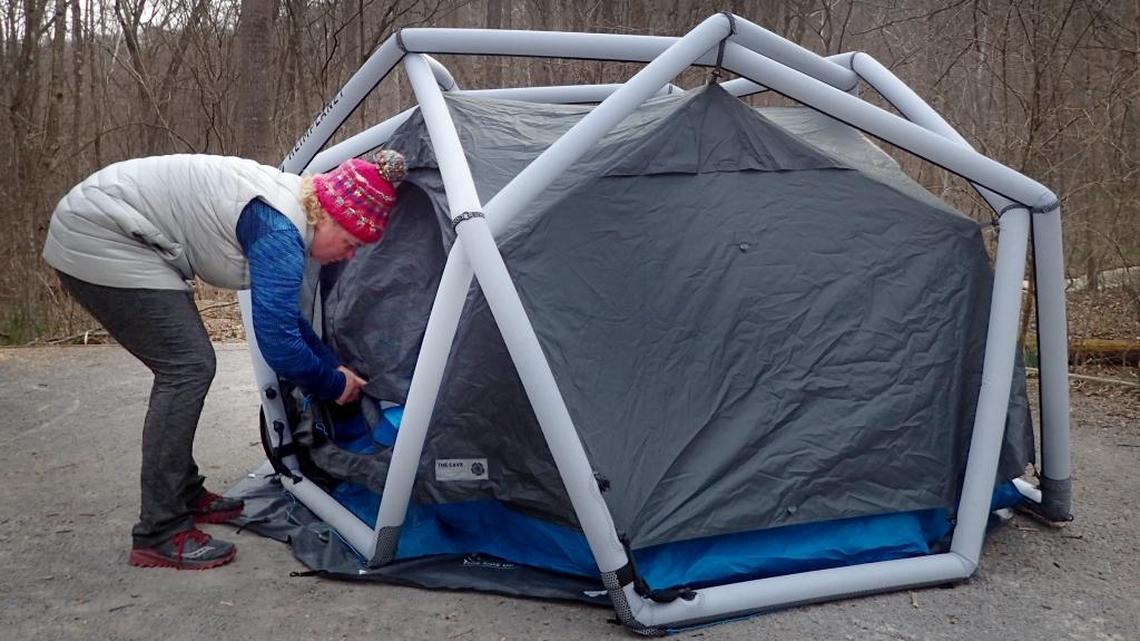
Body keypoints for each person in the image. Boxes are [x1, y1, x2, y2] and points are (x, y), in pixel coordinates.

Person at [42, 150, 406, 570]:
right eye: (350, 243)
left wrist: (331, 366)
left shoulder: (288, 210)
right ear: (328, 216)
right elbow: (280, 345)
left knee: (189, 365)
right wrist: (331, 383)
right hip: (100, 232)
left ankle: (183, 492)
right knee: (188, 368)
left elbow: (285, 321)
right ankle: (159, 531)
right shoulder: (281, 234)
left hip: (121, 226)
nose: (349, 256)